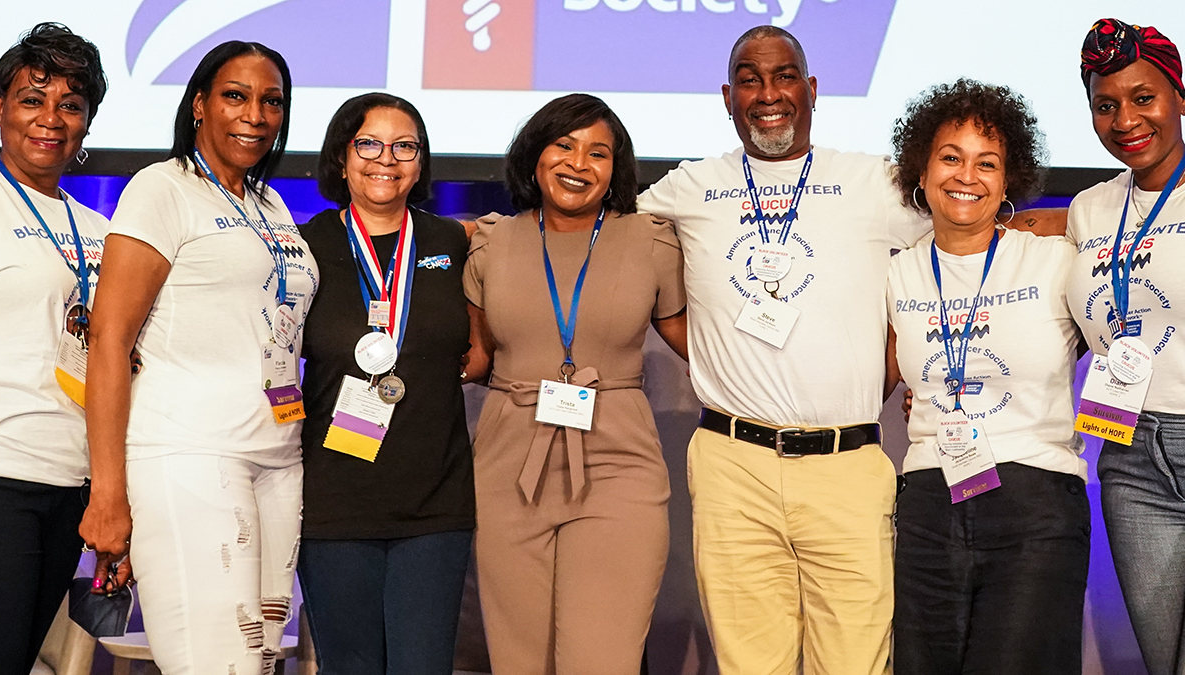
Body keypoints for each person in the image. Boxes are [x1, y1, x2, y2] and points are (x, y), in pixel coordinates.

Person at [635, 25, 938, 672]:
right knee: (750, 664)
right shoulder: (689, 188)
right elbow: (604, 243)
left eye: (784, 76)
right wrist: (712, 355)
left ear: (812, 89)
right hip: (731, 466)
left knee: (856, 661)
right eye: (750, 78)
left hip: (847, 464)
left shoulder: (872, 182)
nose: (768, 93)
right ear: (727, 96)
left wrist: (892, 364)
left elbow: (962, 239)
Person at [80, 41, 318, 674]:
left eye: (272, 102)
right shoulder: (162, 189)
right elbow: (108, 340)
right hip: (189, 455)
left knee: (262, 661)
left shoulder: (270, 205)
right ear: (198, 107)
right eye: (236, 96)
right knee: (219, 664)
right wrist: (109, 495)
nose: (255, 115)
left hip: (278, 458)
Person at [462, 92, 687, 675]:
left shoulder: (651, 241)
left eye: (599, 153)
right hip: (509, 466)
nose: (579, 164)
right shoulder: (488, 242)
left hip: (618, 466)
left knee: (599, 660)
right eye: (564, 145)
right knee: (519, 663)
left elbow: (705, 349)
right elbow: (473, 356)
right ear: (535, 154)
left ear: (617, 171)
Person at [886, 79, 1089, 675]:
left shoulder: (1055, 259)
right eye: (950, 157)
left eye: (987, 163)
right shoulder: (898, 273)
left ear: (1009, 180)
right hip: (928, 500)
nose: (966, 176)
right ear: (921, 172)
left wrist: (1054, 221)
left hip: (1036, 504)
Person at [295, 92, 474, 674]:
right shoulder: (306, 246)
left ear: (421, 162)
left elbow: (481, 351)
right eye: (368, 143)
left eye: (404, 146)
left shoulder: (452, 242)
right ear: (342, 156)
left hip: (434, 504)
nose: (386, 159)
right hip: (334, 500)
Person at [0, 22, 108, 675]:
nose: (51, 119)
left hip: (71, 482)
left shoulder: (100, 229)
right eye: (33, 99)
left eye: (71, 103)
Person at [1069, 19, 1185, 675]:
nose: (1126, 120)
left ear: (1179, 97)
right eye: (1105, 105)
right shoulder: (1090, 209)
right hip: (1127, 455)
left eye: (1143, 97)